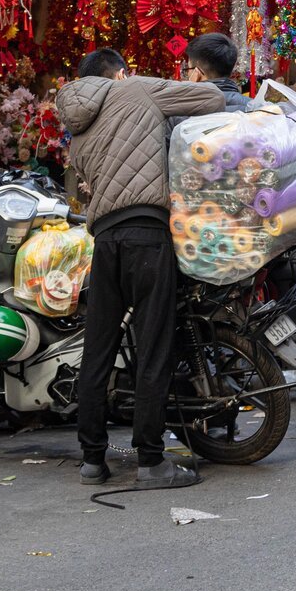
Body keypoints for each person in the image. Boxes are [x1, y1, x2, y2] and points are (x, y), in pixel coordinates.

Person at [56, 48, 225, 491]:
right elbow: (209, 99)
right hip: (147, 234)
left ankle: (92, 460)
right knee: (153, 347)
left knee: (99, 350)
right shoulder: (134, 88)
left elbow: (82, 188)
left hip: (105, 241)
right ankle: (151, 460)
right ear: (118, 72)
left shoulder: (77, 130)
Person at [182, 32, 253, 111]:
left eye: (188, 69)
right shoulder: (256, 108)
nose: (187, 74)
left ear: (197, 72)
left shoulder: (182, 111)